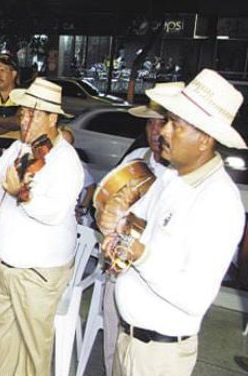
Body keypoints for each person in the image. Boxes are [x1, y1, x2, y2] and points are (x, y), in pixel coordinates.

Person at [100, 69, 246, 376]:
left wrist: (141, 254)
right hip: (131, 342)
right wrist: (117, 226)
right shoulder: (171, 178)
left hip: (159, 356)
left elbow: (194, 297)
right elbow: (137, 226)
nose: (162, 131)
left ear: (205, 139)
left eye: (175, 125)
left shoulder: (219, 200)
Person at [0, 78, 83, 376]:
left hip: (37, 275)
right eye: (22, 113)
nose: (24, 120)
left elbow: (54, 212)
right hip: (5, 268)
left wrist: (19, 193)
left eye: (33, 114)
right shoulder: (18, 148)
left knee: (33, 353)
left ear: (53, 118)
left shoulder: (66, 160)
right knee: (1, 344)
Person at [99, 81, 184, 376]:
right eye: (150, 123)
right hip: (119, 272)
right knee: (113, 346)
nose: (155, 131)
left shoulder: (182, 178)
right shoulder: (136, 161)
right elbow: (105, 201)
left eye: (162, 123)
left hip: (155, 292)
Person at [60, 126, 95, 226]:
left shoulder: (76, 165)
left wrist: (81, 209)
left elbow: (90, 187)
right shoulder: (41, 161)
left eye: (68, 144)